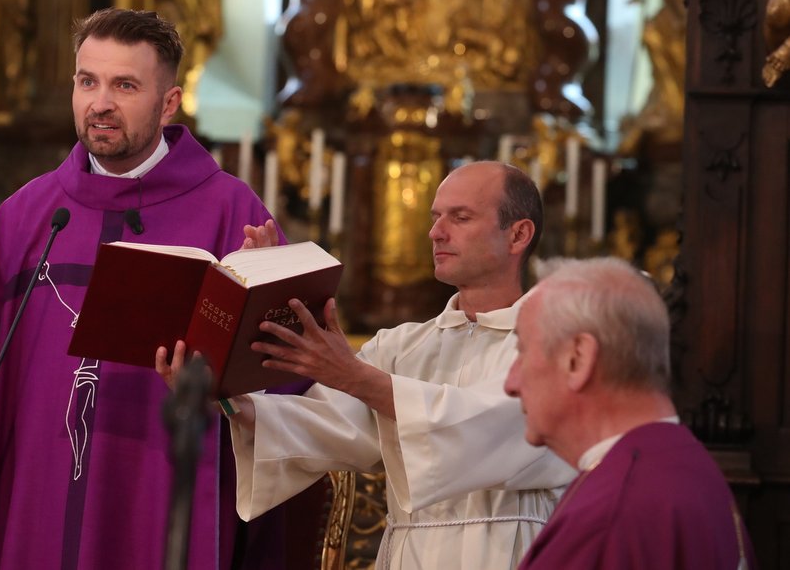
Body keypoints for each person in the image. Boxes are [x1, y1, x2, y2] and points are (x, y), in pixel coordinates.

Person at [0, 8, 286, 569]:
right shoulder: (30, 213)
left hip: (156, 492)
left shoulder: (232, 215)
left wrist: (258, 311)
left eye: (125, 85)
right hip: (36, 496)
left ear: (169, 103)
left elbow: (286, 381)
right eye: (87, 81)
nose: (101, 103)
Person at [158, 161, 576, 570]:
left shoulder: (555, 344)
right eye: (435, 217)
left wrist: (357, 377)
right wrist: (224, 395)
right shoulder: (401, 346)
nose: (435, 232)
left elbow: (487, 427)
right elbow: (327, 425)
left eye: (460, 217)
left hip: (511, 552)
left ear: (518, 234)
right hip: (407, 552)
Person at [504, 257, 756, 569]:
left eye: (522, 351)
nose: (510, 383)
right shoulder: (688, 465)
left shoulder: (610, 514)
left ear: (577, 359)